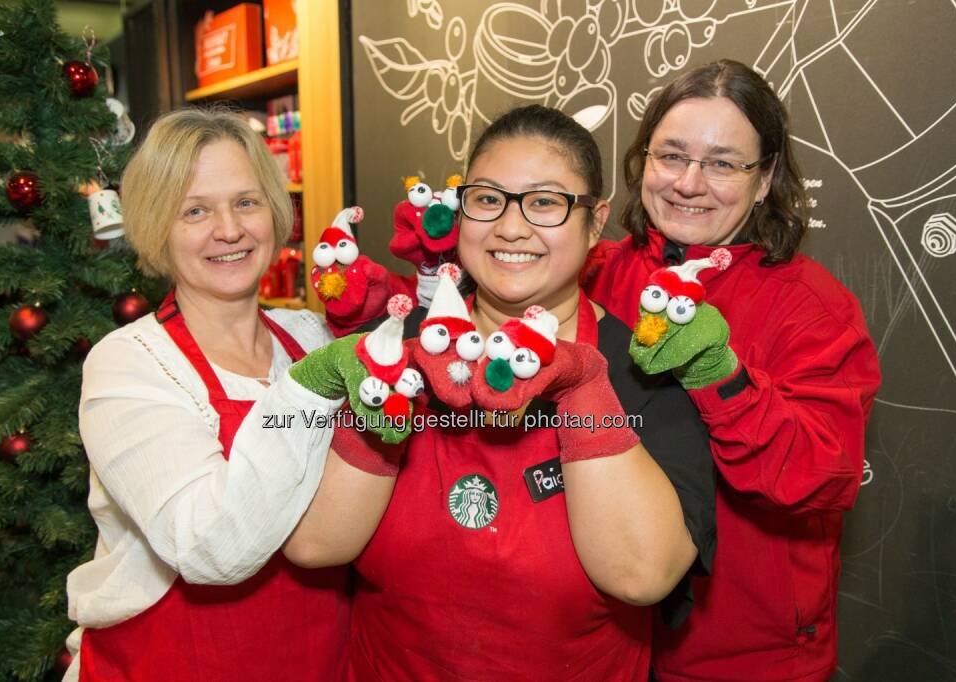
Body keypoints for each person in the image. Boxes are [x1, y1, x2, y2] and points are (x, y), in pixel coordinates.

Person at [340, 104, 716, 680]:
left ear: (595, 222)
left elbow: (644, 575)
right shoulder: (393, 354)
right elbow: (317, 545)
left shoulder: (640, 374)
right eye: (488, 199)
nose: (511, 227)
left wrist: (581, 384)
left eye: (545, 202)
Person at [65, 108, 405, 681]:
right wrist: (308, 389)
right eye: (194, 210)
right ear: (156, 226)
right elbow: (208, 548)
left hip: (319, 659)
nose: (229, 229)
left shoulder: (309, 336)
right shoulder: (130, 364)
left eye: (246, 202)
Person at [581, 60, 881, 682]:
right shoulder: (597, 271)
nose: (689, 183)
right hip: (606, 636)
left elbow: (819, 475)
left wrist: (720, 372)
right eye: (671, 156)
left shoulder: (814, 309)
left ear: (766, 177)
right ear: (643, 164)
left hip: (742, 654)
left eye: (723, 163)